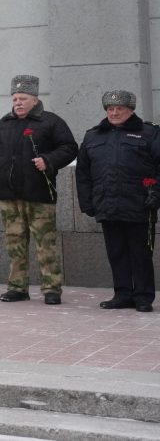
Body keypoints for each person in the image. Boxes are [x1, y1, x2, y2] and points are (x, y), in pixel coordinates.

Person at [0, 74, 77, 305]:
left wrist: (49, 160)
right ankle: (17, 287)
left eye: (23, 98)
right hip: (9, 196)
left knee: (46, 244)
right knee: (14, 242)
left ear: (35, 99)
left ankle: (51, 289)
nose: (18, 102)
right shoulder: (4, 123)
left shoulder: (50, 121)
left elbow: (70, 148)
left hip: (40, 195)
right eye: (14, 98)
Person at [76, 90, 159, 313]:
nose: (114, 112)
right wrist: (87, 203)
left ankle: (143, 297)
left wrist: (155, 195)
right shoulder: (93, 136)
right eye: (110, 109)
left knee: (140, 253)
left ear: (130, 110)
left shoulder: (149, 133)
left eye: (119, 109)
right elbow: (83, 173)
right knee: (117, 252)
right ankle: (122, 294)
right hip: (107, 204)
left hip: (140, 204)